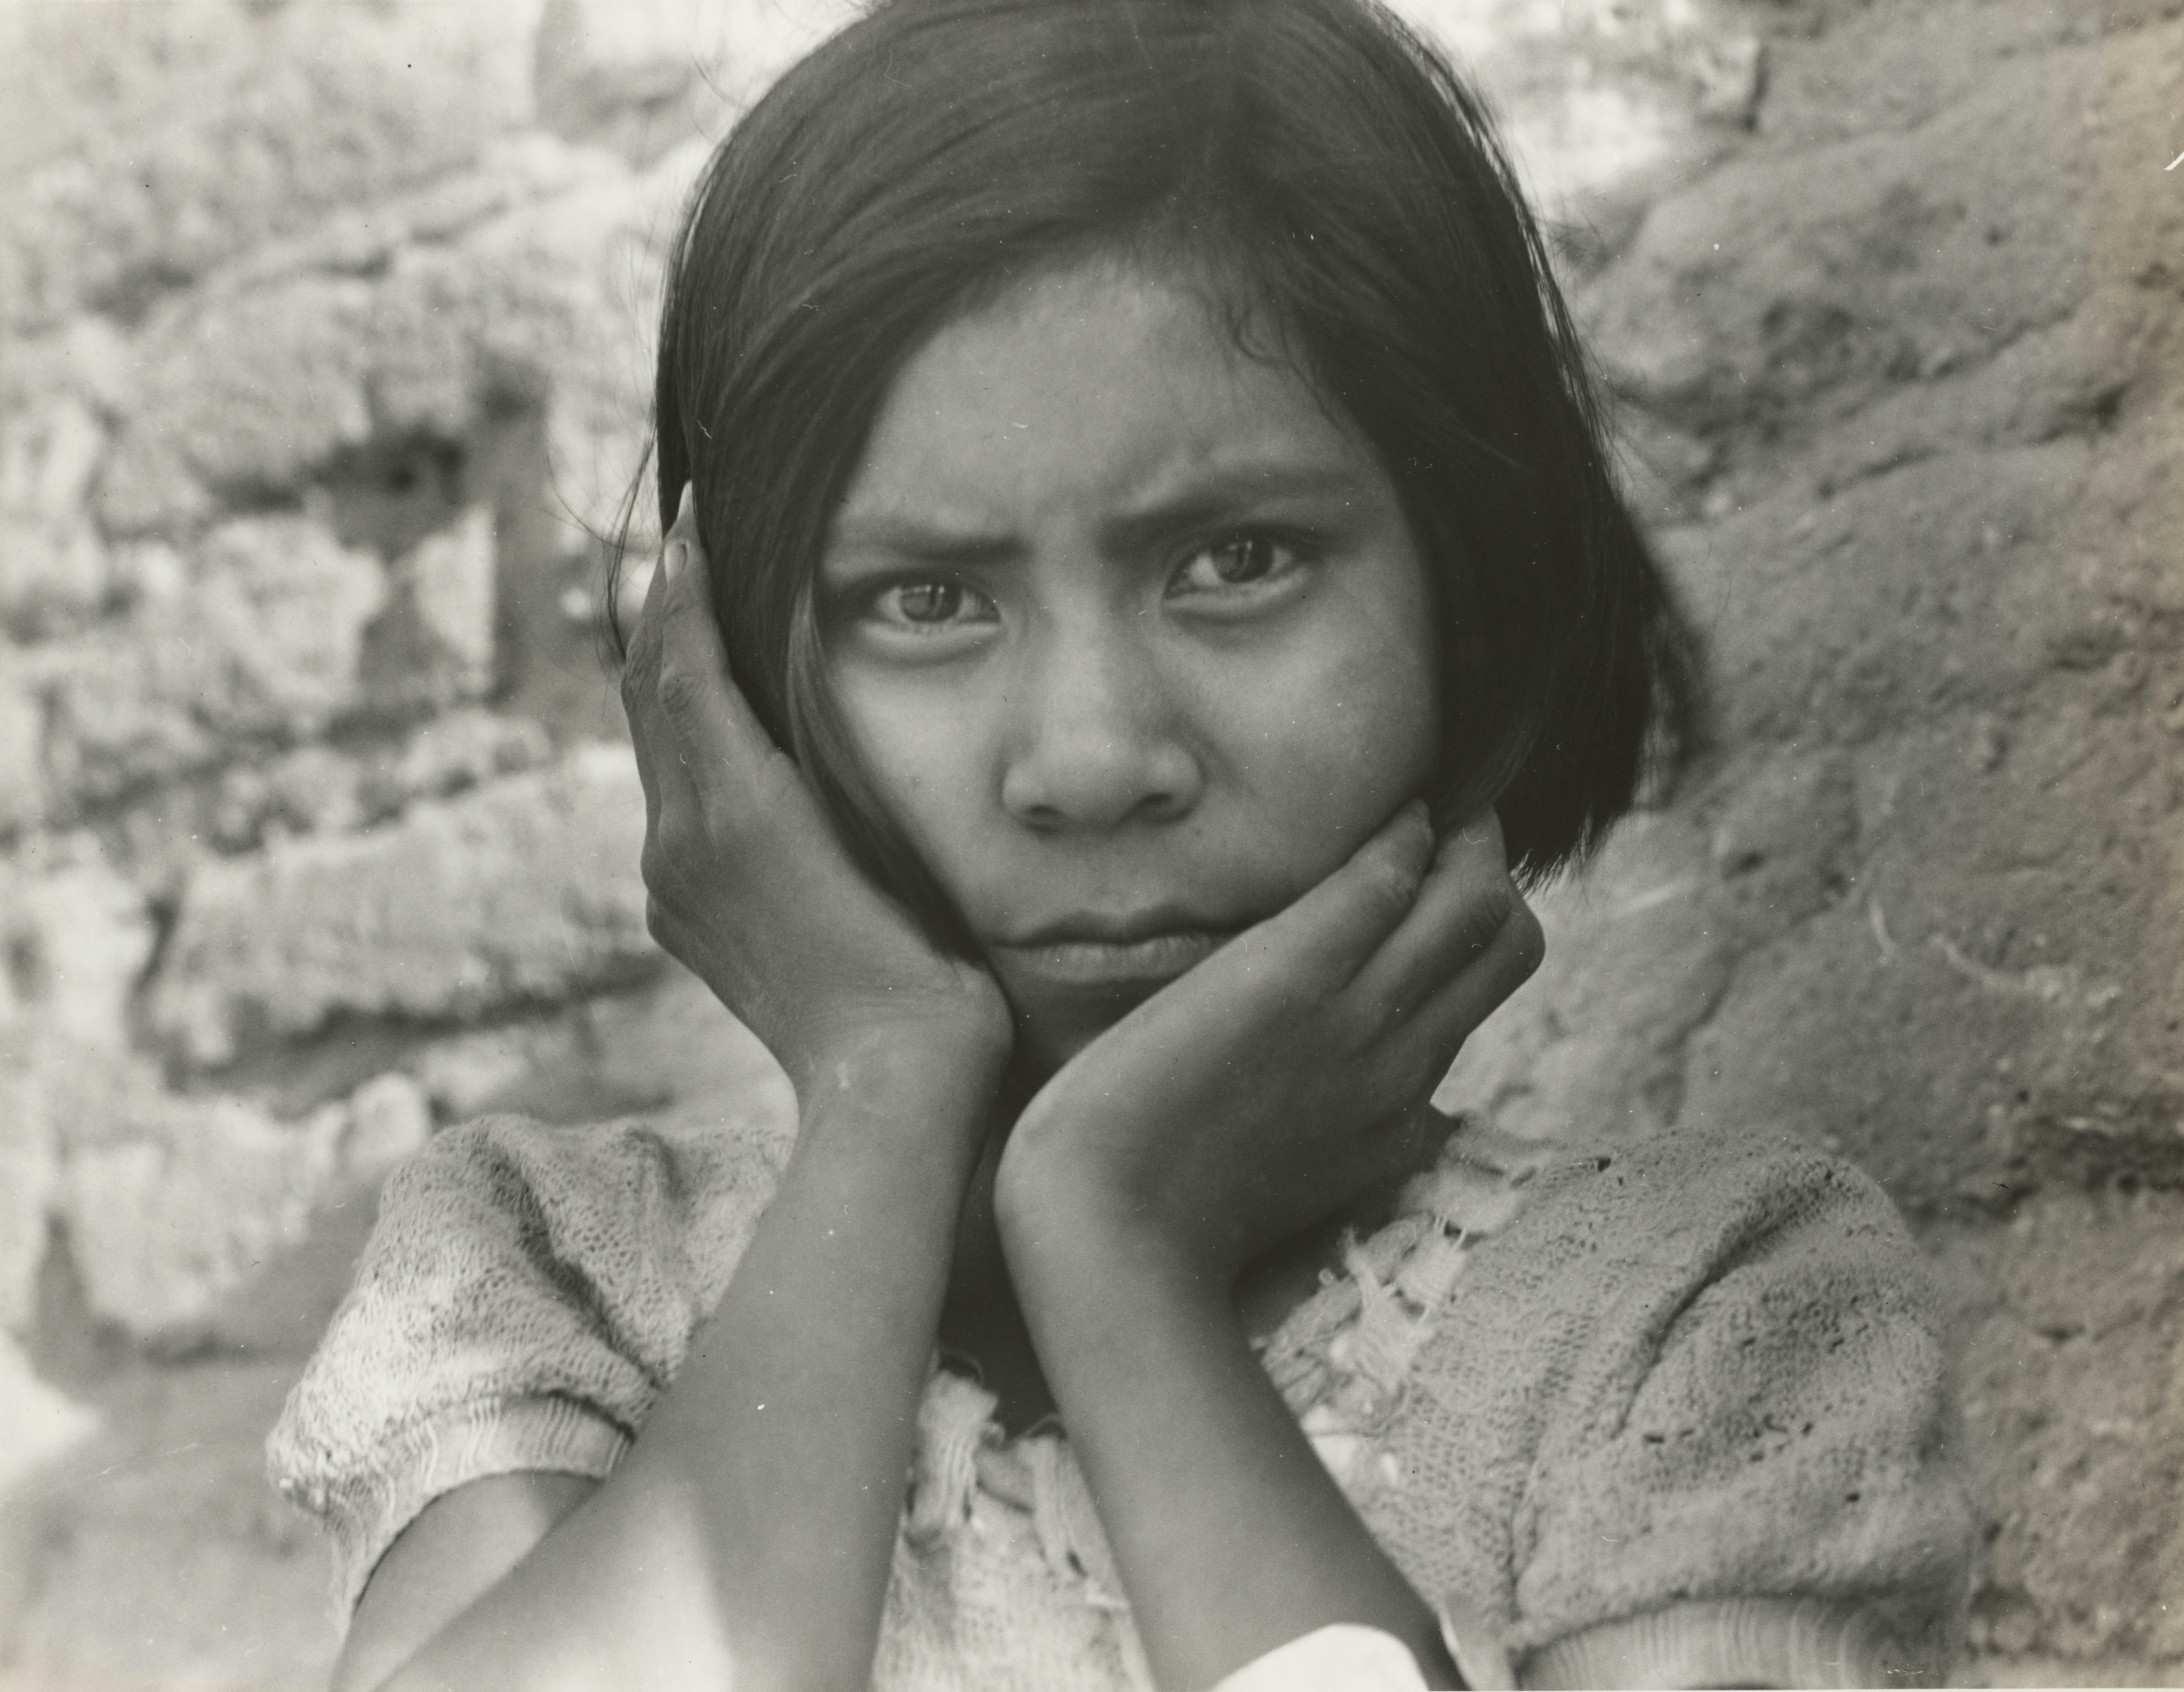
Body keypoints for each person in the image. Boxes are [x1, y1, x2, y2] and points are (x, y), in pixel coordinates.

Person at [267, 1, 1979, 1687]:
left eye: (1236, 561)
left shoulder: (1709, 1317)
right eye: (925, 601)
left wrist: (1120, 1251)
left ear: (1484, 598)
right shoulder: (552, 1273)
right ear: (723, 693)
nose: (1092, 761)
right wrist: (882, 1089)